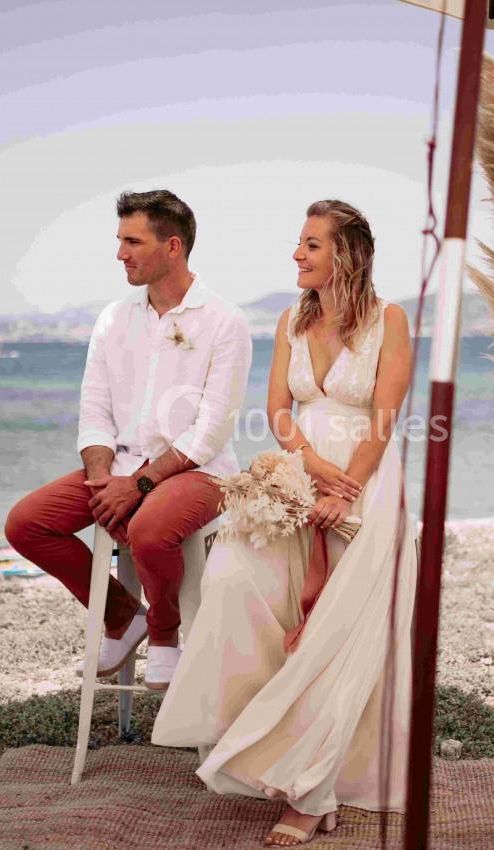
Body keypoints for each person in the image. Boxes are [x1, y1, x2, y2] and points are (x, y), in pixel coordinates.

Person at [152, 200, 417, 846]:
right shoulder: (290, 321)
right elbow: (276, 409)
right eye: (300, 242)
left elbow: (384, 420)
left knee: (337, 631)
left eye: (311, 244)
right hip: (295, 476)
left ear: (346, 255)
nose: (297, 254)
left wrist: (345, 491)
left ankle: (312, 790)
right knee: (231, 578)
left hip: (365, 484)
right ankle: (253, 740)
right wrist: (310, 466)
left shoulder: (389, 321)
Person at [4, 189, 251, 690]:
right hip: (118, 469)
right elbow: (94, 410)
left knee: (150, 530)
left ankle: (164, 637)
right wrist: (103, 484)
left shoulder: (225, 321)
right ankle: (122, 617)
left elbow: (210, 431)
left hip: (200, 471)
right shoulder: (113, 318)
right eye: (120, 241)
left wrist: (136, 487)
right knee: (26, 524)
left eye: (133, 242)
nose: (120, 254)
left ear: (173, 246)